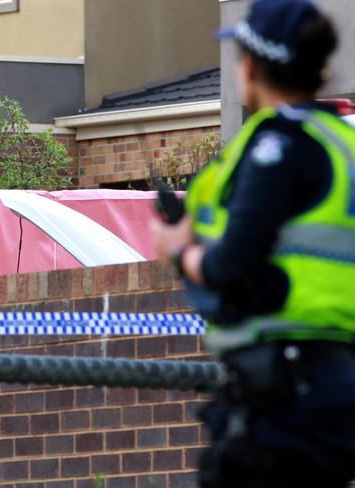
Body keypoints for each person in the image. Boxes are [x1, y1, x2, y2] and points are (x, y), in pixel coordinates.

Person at [150, 1, 355, 486]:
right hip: (329, 379)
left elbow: (230, 262)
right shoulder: (337, 141)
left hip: (286, 396)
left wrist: (180, 251)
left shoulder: (276, 146)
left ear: (254, 64)